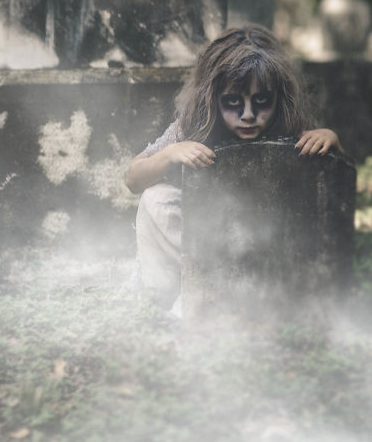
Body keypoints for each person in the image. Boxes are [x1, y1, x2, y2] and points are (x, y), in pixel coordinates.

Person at [125, 24, 342, 312]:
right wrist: (169, 154)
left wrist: (332, 143)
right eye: (233, 102)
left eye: (261, 101)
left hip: (268, 251)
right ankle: (176, 297)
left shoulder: (290, 128)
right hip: (204, 248)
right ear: (212, 99)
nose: (248, 115)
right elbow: (133, 179)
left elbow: (334, 195)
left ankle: (254, 298)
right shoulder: (192, 128)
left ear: (279, 98)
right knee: (156, 198)